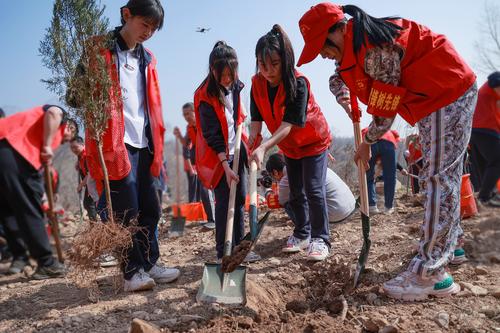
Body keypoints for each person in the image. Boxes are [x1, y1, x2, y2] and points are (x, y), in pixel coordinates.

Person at [298, 3, 477, 299]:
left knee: (438, 178)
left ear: (339, 31)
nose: (321, 54)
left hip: (445, 91)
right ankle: (450, 246)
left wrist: (367, 142)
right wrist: (345, 100)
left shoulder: (375, 47)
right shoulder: (354, 47)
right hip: (435, 99)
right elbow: (340, 78)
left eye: (321, 45)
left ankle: (430, 273)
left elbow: (385, 110)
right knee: (445, 176)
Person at [67, 0, 179, 292]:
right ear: (126, 15)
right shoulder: (97, 49)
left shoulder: (147, 58)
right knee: (125, 209)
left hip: (145, 141)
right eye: (145, 24)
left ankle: (151, 261)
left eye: (154, 29)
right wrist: (89, 85)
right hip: (113, 143)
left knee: (150, 206)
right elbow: (74, 97)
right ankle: (131, 272)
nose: (149, 32)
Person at [249, 25, 332, 261]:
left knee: (314, 189)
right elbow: (256, 121)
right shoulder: (256, 84)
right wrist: (251, 147)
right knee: (296, 190)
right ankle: (302, 233)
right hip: (290, 146)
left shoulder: (299, 83)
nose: (268, 71)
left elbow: (288, 124)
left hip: (312, 141)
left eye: (274, 64)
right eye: (262, 64)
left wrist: (265, 147)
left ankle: (321, 238)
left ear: (285, 60)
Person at [194, 41, 260, 263]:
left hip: (237, 149)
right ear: (213, 70)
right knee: (224, 203)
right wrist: (225, 165)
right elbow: (212, 135)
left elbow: (238, 118)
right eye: (222, 75)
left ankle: (240, 250)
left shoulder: (237, 86)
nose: (226, 80)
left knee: (239, 199)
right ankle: (224, 252)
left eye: (230, 75)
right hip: (218, 156)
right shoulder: (205, 96)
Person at [0, 105, 77, 279]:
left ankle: (20, 258)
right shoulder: (58, 118)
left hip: (6, 148)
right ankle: (47, 263)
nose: (63, 143)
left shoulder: (30, 125)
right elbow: (54, 112)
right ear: (69, 127)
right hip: (13, 151)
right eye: (66, 140)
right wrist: (48, 145)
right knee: (29, 208)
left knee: (7, 211)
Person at [266, 153, 356, 224]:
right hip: (351, 206)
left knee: (290, 204)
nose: (274, 180)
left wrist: (267, 192)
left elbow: (281, 202)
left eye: (272, 176)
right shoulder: (310, 163)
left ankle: (305, 231)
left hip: (337, 214)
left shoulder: (288, 176)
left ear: (275, 172)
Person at [173, 102, 216, 229]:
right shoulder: (189, 128)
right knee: (203, 191)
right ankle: (210, 218)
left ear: (194, 112)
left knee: (207, 190)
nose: (186, 117)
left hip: (211, 161)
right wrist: (179, 136)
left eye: (188, 113)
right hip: (200, 163)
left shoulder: (204, 124)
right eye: (184, 114)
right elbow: (186, 143)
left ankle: (214, 219)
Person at [469, 71, 500, 207]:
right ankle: (484, 196)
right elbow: (494, 80)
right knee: (497, 161)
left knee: (485, 164)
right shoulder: (495, 81)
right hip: (485, 128)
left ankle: (488, 196)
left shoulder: (489, 95)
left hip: (476, 129)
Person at [361, 128, 400, 214]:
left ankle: (371, 206)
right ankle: (388, 207)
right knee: (390, 177)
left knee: (368, 175)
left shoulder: (367, 130)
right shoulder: (390, 133)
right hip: (387, 142)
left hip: (370, 142)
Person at [70, 136, 98, 221]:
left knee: (90, 204)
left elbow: (90, 174)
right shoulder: (80, 155)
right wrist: (78, 164)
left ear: (82, 145)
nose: (74, 150)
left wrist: (81, 185)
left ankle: (95, 226)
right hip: (90, 183)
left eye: (76, 147)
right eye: (72, 148)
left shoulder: (87, 155)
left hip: (95, 183)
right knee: (88, 204)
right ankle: (94, 224)